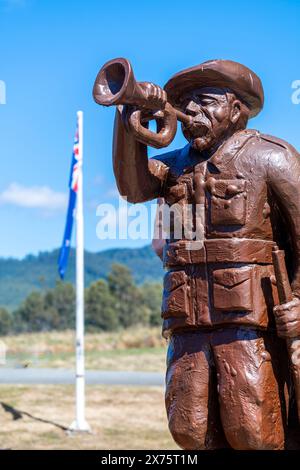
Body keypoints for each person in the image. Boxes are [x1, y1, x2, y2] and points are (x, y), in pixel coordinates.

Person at [112, 59, 300, 450]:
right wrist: (131, 116)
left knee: (252, 429)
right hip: (187, 323)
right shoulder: (175, 165)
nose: (191, 111)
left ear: (236, 110)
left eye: (205, 101)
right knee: (189, 428)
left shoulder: (271, 157)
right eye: (186, 103)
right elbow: (132, 187)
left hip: (248, 323)